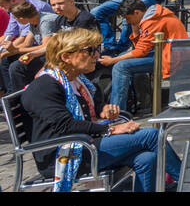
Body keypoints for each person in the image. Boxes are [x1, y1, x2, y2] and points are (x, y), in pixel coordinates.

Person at [22, 28, 181, 192]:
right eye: (90, 50)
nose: (97, 55)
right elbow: (65, 125)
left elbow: (94, 105)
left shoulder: (77, 80)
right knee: (150, 135)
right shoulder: (45, 86)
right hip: (62, 154)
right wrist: (110, 129)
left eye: (96, 49)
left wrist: (103, 109)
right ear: (66, 57)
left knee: (147, 158)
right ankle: (188, 182)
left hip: (84, 143)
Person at [99, 0, 188, 109]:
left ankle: (117, 112)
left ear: (137, 12)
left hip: (171, 58)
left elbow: (140, 51)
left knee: (120, 67)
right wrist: (135, 27)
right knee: (123, 59)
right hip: (167, 53)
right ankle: (140, 102)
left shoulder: (152, 20)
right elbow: (140, 47)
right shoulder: (153, 16)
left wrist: (113, 60)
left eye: (128, 18)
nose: (127, 22)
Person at [8, 0, 98, 87]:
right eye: (53, 5)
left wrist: (48, 66)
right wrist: (33, 54)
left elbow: (83, 47)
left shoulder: (85, 19)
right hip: (63, 57)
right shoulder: (60, 20)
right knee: (19, 67)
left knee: (31, 72)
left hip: (79, 56)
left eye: (60, 3)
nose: (56, 7)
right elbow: (53, 44)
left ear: (72, 1)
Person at [1, 2, 43, 92]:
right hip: (39, 51)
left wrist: (16, 50)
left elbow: (46, 46)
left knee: (16, 66)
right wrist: (4, 54)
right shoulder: (32, 23)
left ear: (21, 18)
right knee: (6, 60)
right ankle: (10, 92)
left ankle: (17, 96)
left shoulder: (44, 21)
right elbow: (27, 44)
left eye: (15, 19)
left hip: (47, 54)